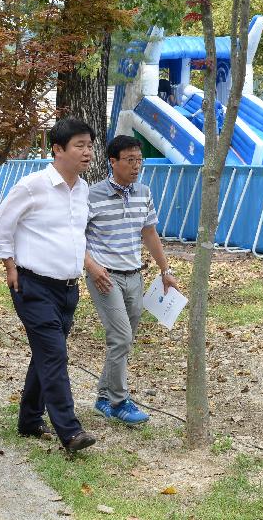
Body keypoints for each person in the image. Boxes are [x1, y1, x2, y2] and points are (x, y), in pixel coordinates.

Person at [0, 117, 97, 454]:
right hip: (33, 284)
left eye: (90, 145)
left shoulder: (82, 189)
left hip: (68, 288)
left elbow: (76, 236)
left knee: (45, 354)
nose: (87, 152)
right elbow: (0, 223)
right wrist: (8, 263)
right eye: (79, 145)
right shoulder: (33, 185)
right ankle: (70, 431)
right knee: (54, 355)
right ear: (58, 149)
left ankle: (29, 420)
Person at [85, 135, 179, 425]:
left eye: (139, 160)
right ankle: (119, 401)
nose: (136, 166)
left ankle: (103, 398)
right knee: (121, 338)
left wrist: (165, 270)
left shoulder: (143, 192)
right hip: (105, 277)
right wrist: (91, 266)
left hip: (134, 275)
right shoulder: (92, 195)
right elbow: (73, 235)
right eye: (130, 160)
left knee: (122, 342)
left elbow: (149, 232)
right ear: (112, 162)